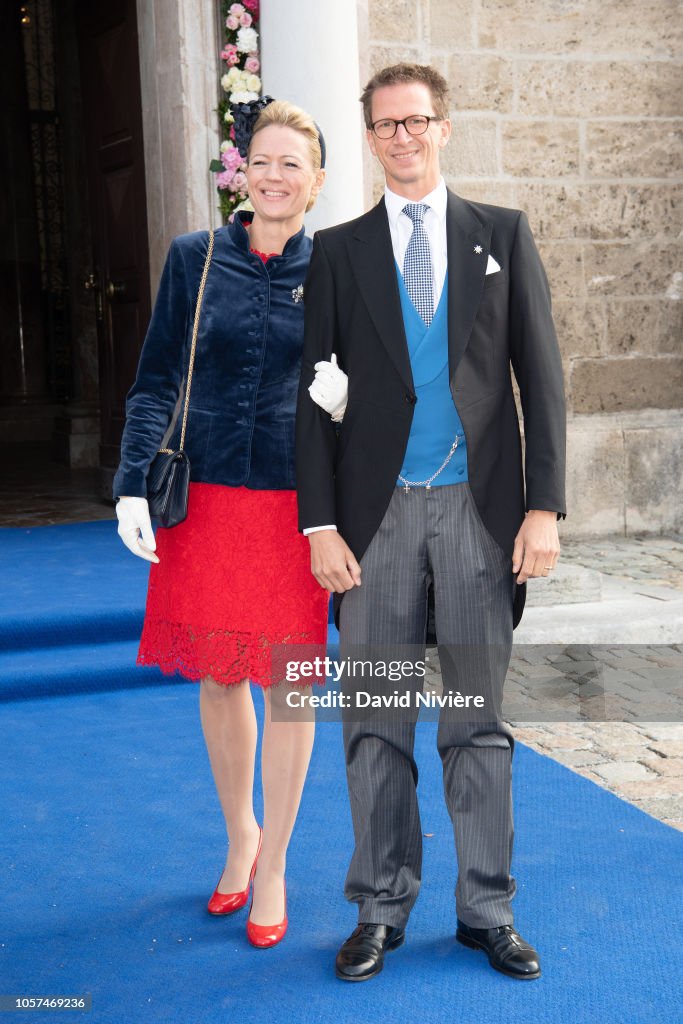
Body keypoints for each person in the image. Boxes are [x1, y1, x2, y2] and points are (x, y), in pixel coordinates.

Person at [296, 63, 566, 982]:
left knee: (475, 724)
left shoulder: (500, 234)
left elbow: (542, 379)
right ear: (369, 138)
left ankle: (485, 910)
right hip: (371, 525)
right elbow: (312, 404)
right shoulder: (338, 252)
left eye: (415, 122)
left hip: (478, 517)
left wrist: (541, 506)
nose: (401, 138)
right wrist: (320, 524)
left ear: (443, 128)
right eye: (384, 126)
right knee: (373, 723)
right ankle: (379, 907)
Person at [113, 99, 330, 950]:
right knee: (219, 675)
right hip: (203, 500)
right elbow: (157, 375)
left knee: (290, 682)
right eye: (262, 161)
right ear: (242, 171)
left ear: (317, 180)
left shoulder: (342, 268)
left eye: (293, 164)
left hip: (293, 505)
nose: (275, 177)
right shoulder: (195, 259)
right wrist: (133, 482)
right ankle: (238, 833)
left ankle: (275, 859)